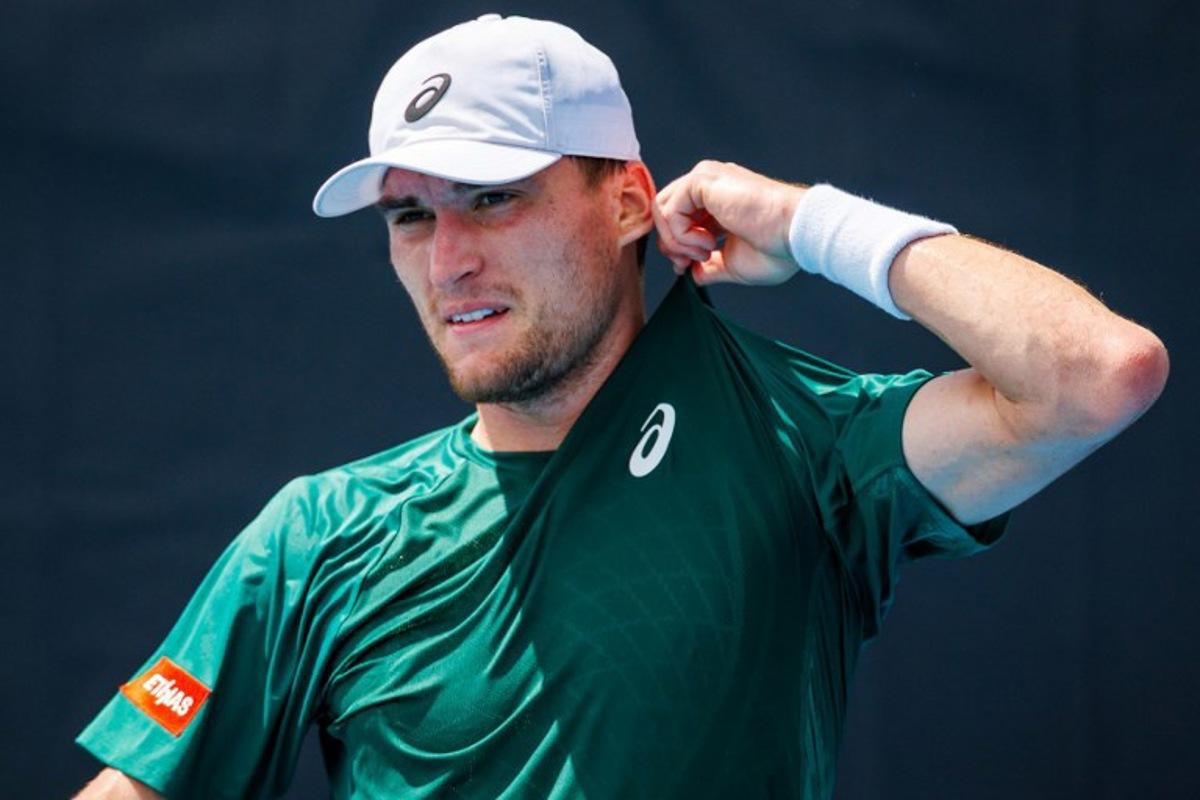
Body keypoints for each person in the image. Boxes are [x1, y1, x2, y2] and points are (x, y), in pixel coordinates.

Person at [73, 13, 1168, 800]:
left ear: (630, 199)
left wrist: (804, 219)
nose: (447, 258)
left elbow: (1094, 371)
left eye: (493, 198)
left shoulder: (795, 440)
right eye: (411, 217)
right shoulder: (315, 536)